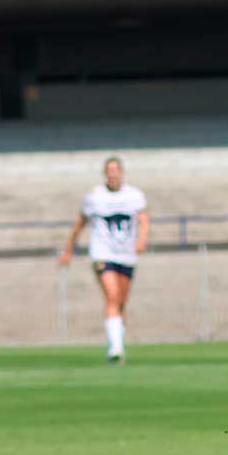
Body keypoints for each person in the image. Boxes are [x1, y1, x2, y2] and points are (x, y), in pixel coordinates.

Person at [59, 156, 148, 364]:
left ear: (121, 172)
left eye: (116, 170)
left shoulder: (134, 196)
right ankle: (114, 349)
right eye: (109, 170)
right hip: (102, 253)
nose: (113, 174)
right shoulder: (95, 197)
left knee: (121, 303)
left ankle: (118, 345)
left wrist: (141, 241)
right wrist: (68, 250)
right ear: (105, 173)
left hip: (126, 254)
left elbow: (144, 220)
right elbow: (79, 224)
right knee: (112, 296)